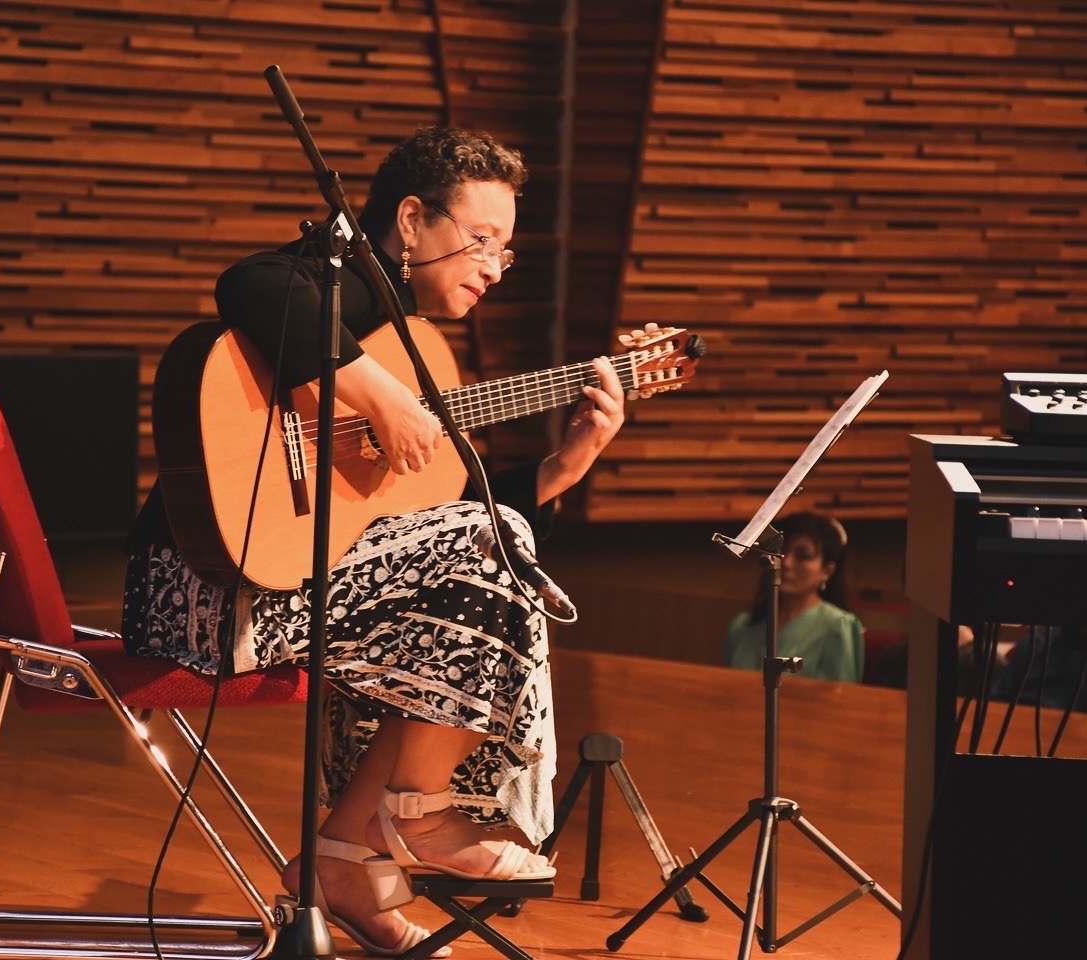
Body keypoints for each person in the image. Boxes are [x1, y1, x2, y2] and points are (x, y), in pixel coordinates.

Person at [122, 127, 631, 956]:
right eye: (481, 240)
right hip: (203, 594)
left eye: (504, 251)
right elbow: (249, 282)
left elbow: (435, 519)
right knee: (489, 555)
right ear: (411, 220)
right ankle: (417, 817)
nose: (495, 268)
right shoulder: (352, 283)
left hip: (271, 588)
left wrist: (565, 465)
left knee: (464, 597)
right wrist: (379, 397)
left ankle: (344, 859)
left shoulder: (408, 339)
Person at [723, 512, 864, 683]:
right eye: (781, 551)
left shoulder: (838, 626)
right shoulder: (742, 626)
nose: (786, 563)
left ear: (827, 571)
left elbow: (842, 694)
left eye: (803, 556)